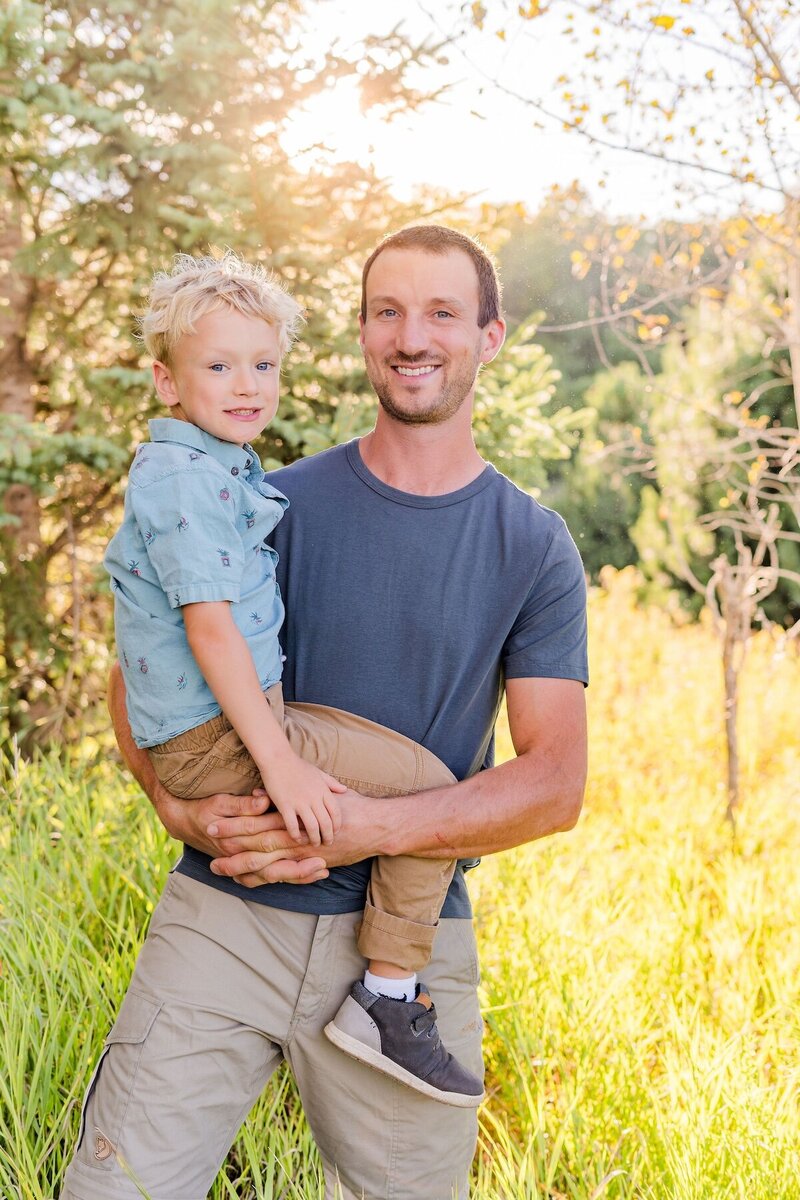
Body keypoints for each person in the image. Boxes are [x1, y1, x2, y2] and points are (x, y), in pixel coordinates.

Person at [61, 225, 588, 1200]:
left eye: (440, 311)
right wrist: (174, 810)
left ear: (490, 334)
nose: (411, 335)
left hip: (407, 947)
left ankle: (385, 1000)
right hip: (227, 914)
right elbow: (140, 675)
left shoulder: (532, 545)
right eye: (386, 310)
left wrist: (360, 831)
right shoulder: (266, 498)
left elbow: (554, 784)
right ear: (359, 334)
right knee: (113, 1189)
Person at [102, 251, 482, 1108]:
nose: (248, 385)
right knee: (430, 787)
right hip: (223, 736)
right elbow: (208, 628)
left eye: (263, 365)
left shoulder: (215, 469)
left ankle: (380, 990)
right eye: (219, 365)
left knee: (406, 785)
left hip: (222, 727)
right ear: (166, 381)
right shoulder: (184, 483)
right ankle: (387, 996)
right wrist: (278, 763)